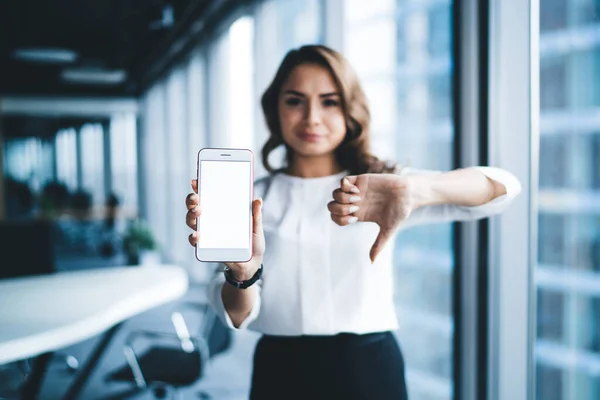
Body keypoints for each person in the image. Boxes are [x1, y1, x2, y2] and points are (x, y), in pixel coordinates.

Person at [185, 45, 521, 400]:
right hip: (280, 370)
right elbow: (235, 317)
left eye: (330, 101)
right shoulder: (253, 200)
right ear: (275, 110)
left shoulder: (383, 185)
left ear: (350, 109)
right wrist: (243, 274)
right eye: (295, 101)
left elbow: (502, 189)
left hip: (368, 370)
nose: (312, 117)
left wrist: (415, 189)